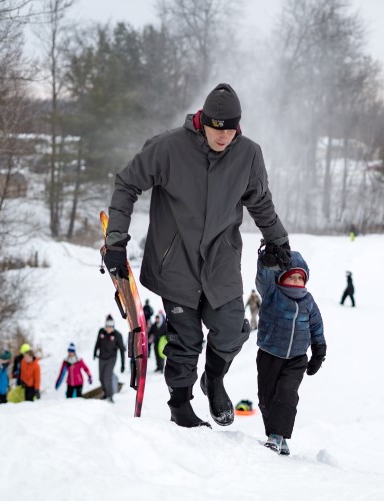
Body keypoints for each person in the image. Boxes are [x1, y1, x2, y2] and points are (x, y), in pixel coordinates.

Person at [102, 83, 289, 428]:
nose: (223, 135)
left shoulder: (248, 154)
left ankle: (214, 380)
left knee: (232, 330)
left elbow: (260, 202)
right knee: (185, 340)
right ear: (203, 120)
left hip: (221, 260)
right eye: (216, 127)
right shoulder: (168, 147)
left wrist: (278, 241)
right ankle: (180, 406)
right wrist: (116, 241)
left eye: (230, 128)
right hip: (176, 261)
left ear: (238, 125)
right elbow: (127, 183)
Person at [255, 248, 326, 456]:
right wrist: (265, 260)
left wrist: (319, 351)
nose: (296, 282)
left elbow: (316, 327)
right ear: (282, 277)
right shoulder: (272, 293)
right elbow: (264, 276)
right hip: (269, 354)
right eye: (291, 277)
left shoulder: (308, 302)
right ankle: (277, 436)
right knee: (267, 397)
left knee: (287, 394)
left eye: (300, 278)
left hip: (296, 359)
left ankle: (278, 434)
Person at [93, 314, 126, 403]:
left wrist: (123, 364)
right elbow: (97, 342)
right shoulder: (101, 332)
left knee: (107, 377)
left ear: (113, 327)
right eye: (107, 326)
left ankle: (110, 396)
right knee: (101, 378)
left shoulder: (117, 335)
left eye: (110, 327)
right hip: (101, 358)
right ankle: (105, 393)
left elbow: (122, 350)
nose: (108, 329)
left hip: (111, 359)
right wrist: (94, 352)